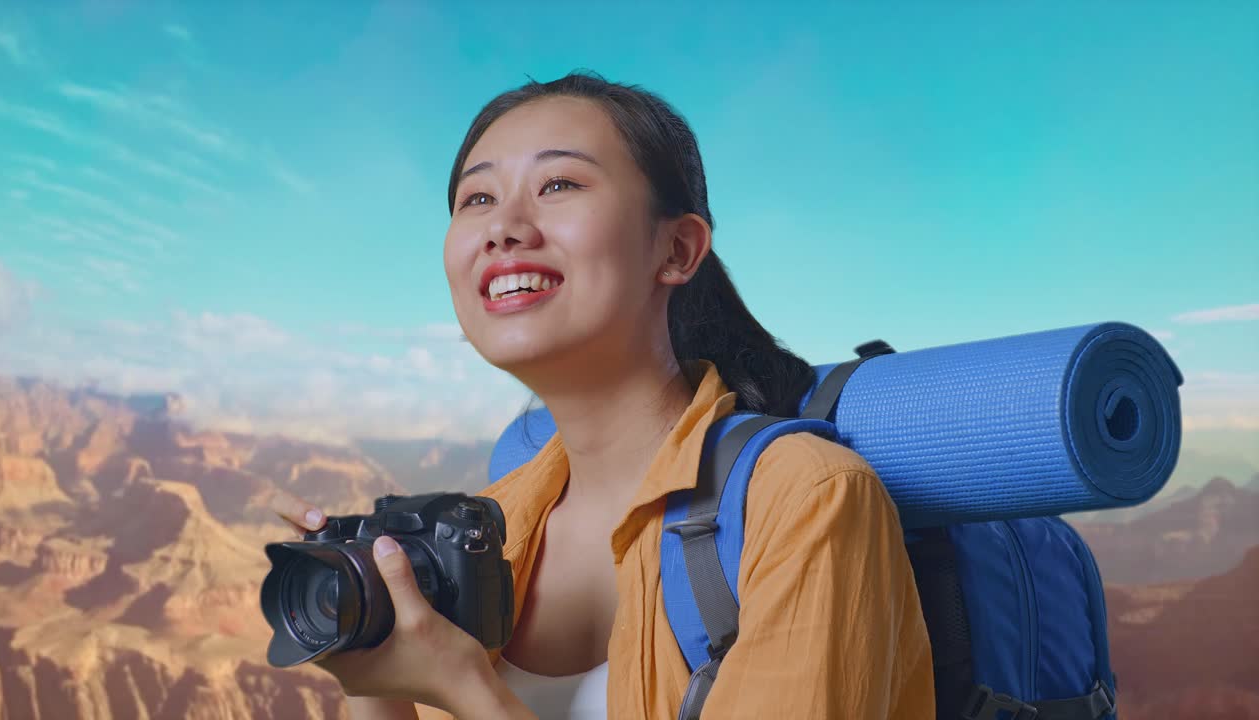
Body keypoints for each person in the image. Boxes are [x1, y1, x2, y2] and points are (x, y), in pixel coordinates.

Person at [270, 71, 935, 720]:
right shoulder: (491, 526)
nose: (503, 226)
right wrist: (370, 663)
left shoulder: (806, 500)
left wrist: (466, 687)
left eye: (558, 184)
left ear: (677, 249)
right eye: (477, 199)